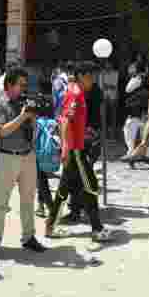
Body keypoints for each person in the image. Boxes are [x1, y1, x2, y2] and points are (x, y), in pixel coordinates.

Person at [45, 63, 113, 241]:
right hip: (76, 149)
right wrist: (67, 149)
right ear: (81, 75)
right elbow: (66, 120)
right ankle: (97, 229)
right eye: (90, 77)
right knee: (90, 186)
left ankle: (50, 226)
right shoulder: (75, 93)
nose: (93, 80)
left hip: (77, 147)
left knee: (65, 187)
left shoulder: (76, 91)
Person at [0, 68, 48, 263]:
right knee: (0, 204)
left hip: (27, 157)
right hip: (7, 158)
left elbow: (34, 130)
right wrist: (22, 117)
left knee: (28, 200)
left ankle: (28, 237)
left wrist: (33, 118)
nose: (23, 89)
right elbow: (2, 132)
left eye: (24, 85)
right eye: (20, 85)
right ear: (9, 86)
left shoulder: (26, 104)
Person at [121, 70, 149, 163]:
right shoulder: (143, 91)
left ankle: (135, 154)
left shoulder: (143, 92)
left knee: (134, 136)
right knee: (142, 136)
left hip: (139, 116)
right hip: (138, 116)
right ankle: (143, 154)